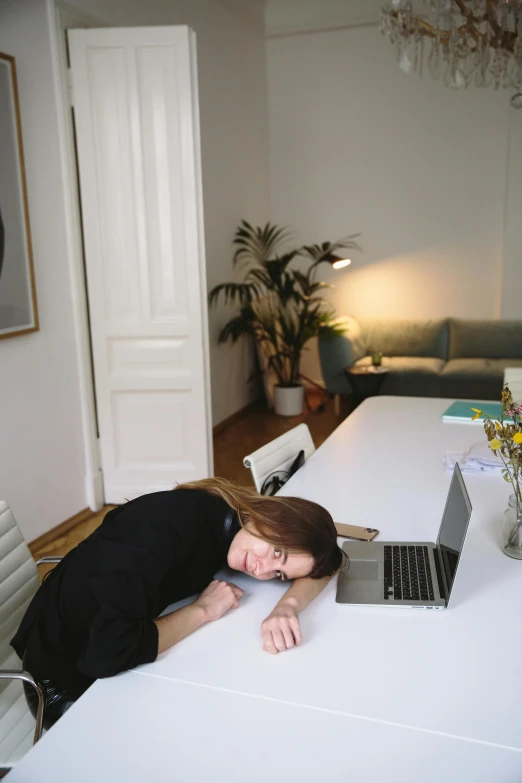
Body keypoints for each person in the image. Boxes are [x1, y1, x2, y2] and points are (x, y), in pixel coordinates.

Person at [12, 478, 342, 728]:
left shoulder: (227, 519)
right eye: (277, 552)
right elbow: (110, 653)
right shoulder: (166, 527)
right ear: (273, 515)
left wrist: (288, 606)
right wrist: (202, 610)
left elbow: (332, 561)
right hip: (62, 680)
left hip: (99, 645)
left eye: (279, 574)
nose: (263, 570)